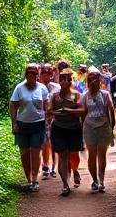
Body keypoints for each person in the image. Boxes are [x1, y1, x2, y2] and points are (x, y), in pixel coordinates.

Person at [9, 63, 50, 192]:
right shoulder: (19, 88)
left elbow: (47, 106)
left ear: (38, 75)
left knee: (35, 151)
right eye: (29, 72)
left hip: (38, 123)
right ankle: (28, 179)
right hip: (22, 124)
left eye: (34, 73)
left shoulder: (42, 88)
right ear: (25, 74)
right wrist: (14, 123)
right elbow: (13, 105)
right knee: (24, 152)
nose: (32, 75)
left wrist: (47, 121)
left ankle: (34, 180)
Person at [48, 67, 85, 196]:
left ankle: (75, 170)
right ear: (59, 81)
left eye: (67, 79)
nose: (64, 81)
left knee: (74, 154)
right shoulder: (55, 96)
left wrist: (69, 110)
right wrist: (59, 112)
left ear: (71, 81)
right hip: (59, 128)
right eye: (62, 79)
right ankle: (65, 184)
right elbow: (49, 110)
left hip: (74, 128)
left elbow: (81, 109)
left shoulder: (75, 94)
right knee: (62, 155)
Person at [81, 66, 115, 193]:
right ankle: (94, 180)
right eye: (90, 79)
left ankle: (102, 180)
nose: (93, 81)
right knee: (92, 155)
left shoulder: (105, 95)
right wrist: (82, 129)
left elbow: (111, 111)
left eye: (95, 79)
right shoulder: (85, 96)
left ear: (99, 81)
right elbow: (83, 114)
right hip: (89, 128)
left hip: (103, 127)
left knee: (102, 155)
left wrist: (111, 129)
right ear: (87, 81)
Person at [39, 64, 61, 179]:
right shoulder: (37, 87)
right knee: (44, 143)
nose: (46, 75)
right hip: (41, 118)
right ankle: (46, 165)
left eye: (48, 73)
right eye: (43, 73)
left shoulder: (56, 87)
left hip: (54, 118)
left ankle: (53, 167)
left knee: (53, 143)